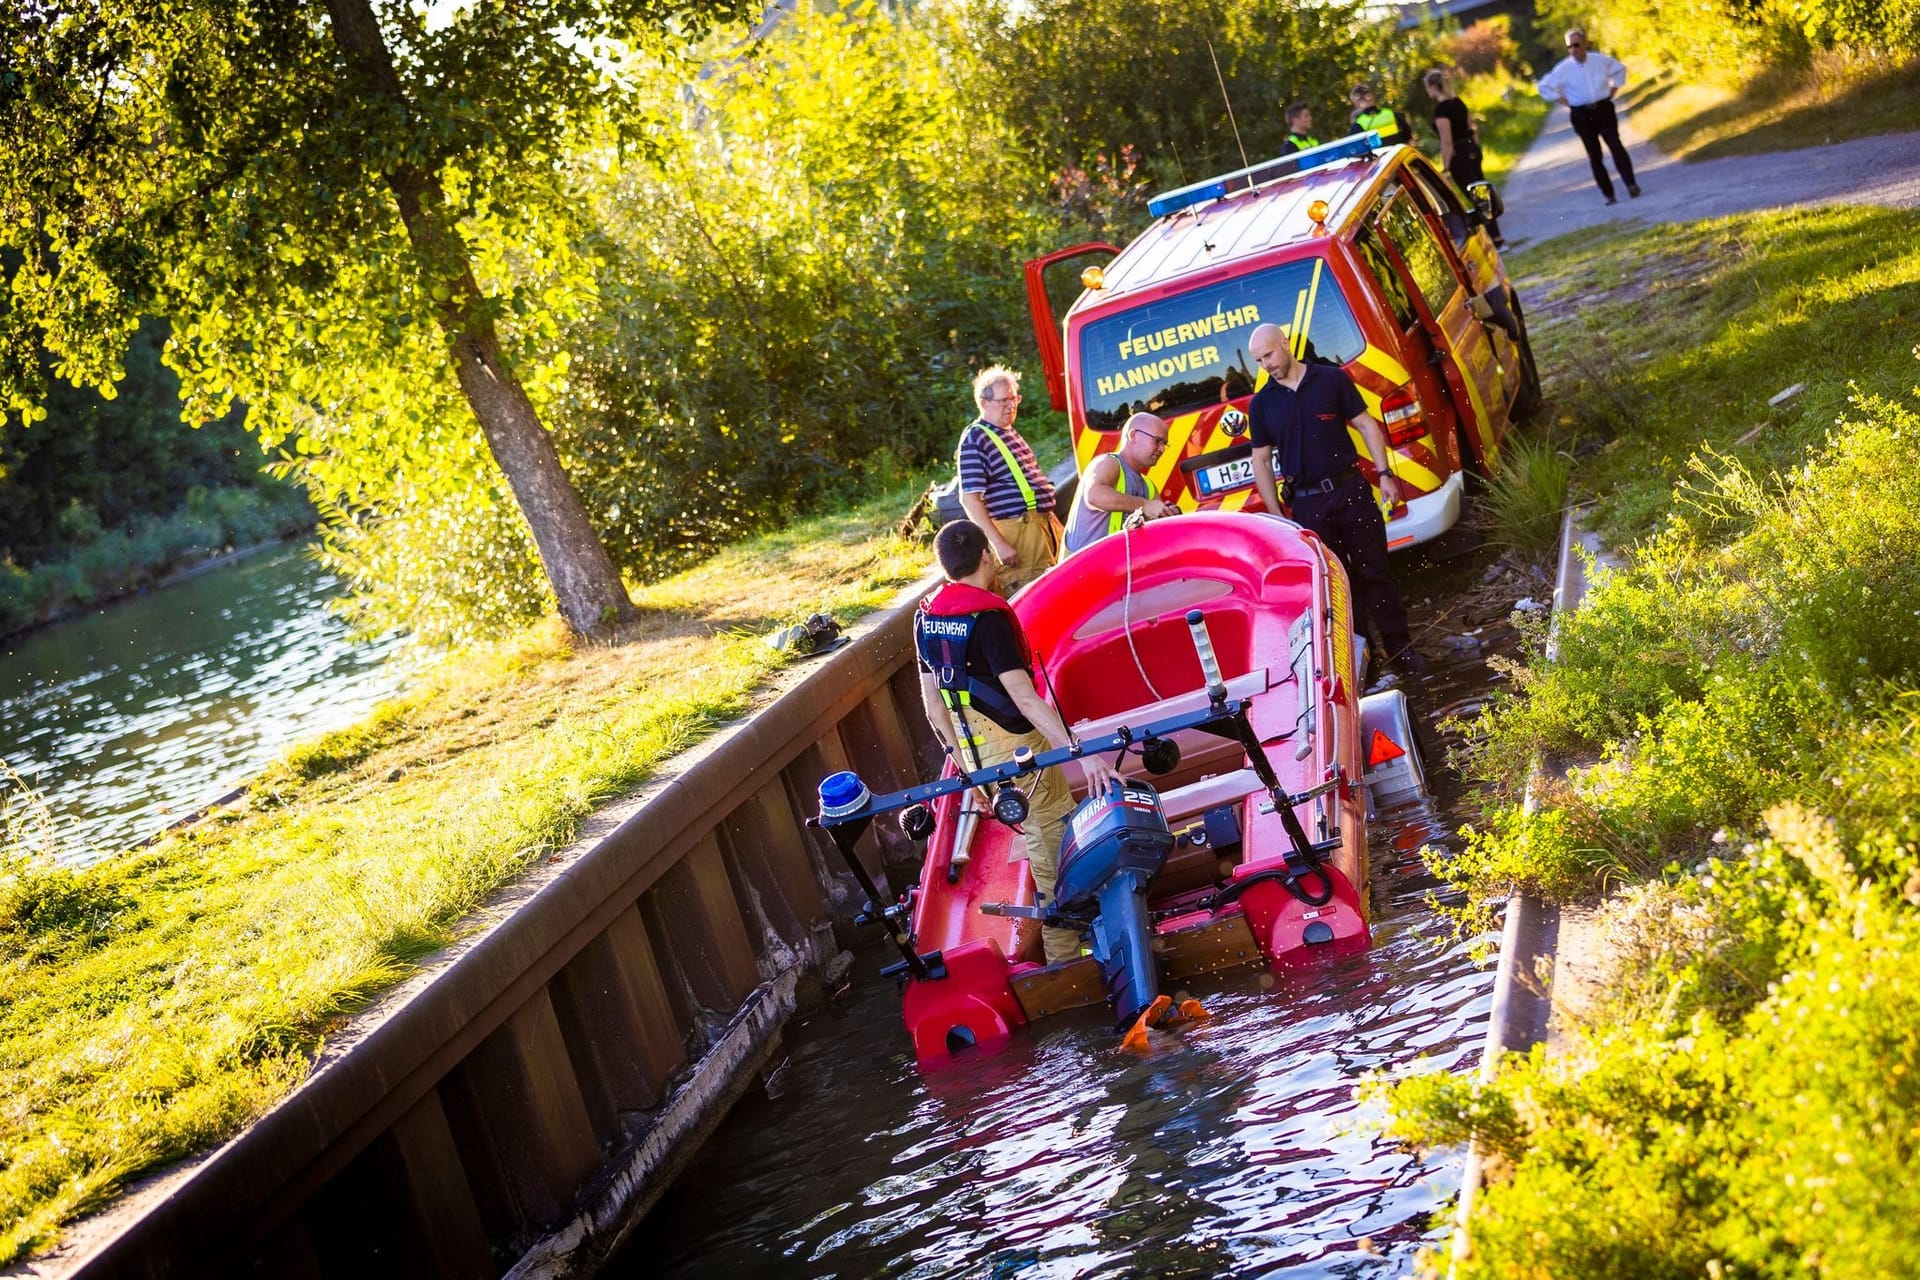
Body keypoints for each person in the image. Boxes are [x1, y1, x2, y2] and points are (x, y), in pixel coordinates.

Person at [916, 520, 1120, 963]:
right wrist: (1081, 752)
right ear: (986, 556)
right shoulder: (988, 620)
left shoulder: (926, 616)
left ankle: (1070, 945)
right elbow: (1025, 700)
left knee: (1041, 842)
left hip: (977, 757)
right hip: (1019, 752)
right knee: (1054, 858)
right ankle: (1070, 965)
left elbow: (934, 708)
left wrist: (972, 776)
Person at [1243, 324, 1423, 672]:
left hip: (1350, 490)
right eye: (1258, 360)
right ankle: (1361, 665)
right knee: (1337, 587)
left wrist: (1385, 475)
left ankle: (1402, 654)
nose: (1265, 364)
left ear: (1285, 343)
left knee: (1377, 573)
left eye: (1269, 355)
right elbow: (1261, 461)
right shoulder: (1262, 405)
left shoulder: (1330, 379)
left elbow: (1367, 425)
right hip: (1308, 507)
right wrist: (1277, 514)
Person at [957, 366, 1060, 595]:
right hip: (1016, 533)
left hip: (1037, 527)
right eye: (1004, 400)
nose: (1011, 405)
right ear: (984, 403)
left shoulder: (1008, 432)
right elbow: (970, 498)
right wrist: (999, 544)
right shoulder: (976, 437)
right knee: (1035, 596)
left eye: (1014, 399)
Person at [1537, 28, 1639, 205]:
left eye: (1576, 45)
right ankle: (1609, 194)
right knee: (1594, 155)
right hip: (1582, 114)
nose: (1573, 50)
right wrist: (1563, 101)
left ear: (1585, 43)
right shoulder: (1563, 69)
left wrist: (1614, 89)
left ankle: (1631, 184)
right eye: (1569, 47)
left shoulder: (1599, 60)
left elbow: (1620, 69)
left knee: (1615, 145)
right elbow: (1544, 87)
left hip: (1603, 108)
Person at [1061, 412, 1180, 556]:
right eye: (1157, 441)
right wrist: (1145, 505)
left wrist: (1167, 516)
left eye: (1164, 444)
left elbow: (1154, 534)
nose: (1162, 449)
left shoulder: (1149, 487)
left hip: (1115, 567)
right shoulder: (1107, 463)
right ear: (1133, 435)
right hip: (1079, 569)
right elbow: (1093, 495)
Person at [1424, 68, 1503, 245]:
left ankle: (1494, 238)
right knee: (1482, 191)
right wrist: (1475, 147)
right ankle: (1496, 235)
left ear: (1432, 87)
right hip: (1472, 149)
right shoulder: (1458, 102)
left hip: (1459, 155)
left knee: (1474, 196)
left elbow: (1446, 141)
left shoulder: (1441, 110)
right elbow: (1472, 127)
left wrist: (1445, 167)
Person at [1348, 82, 1413, 146]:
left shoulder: (1359, 124)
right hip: (1400, 154)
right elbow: (1409, 137)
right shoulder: (1390, 114)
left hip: (1379, 156)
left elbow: (1353, 148)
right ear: (1373, 97)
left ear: (1356, 103)